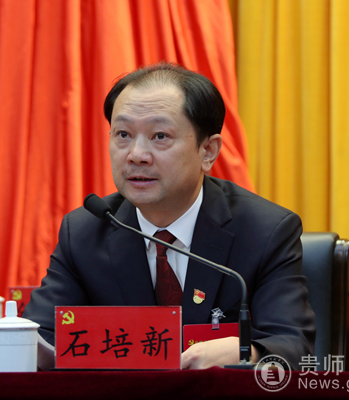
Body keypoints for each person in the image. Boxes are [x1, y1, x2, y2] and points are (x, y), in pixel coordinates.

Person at [23, 62, 315, 370]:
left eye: (160, 136)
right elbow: (41, 338)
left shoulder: (264, 231)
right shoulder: (86, 231)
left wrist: (248, 353)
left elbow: (294, 347)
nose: (136, 155)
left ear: (208, 151)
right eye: (123, 134)